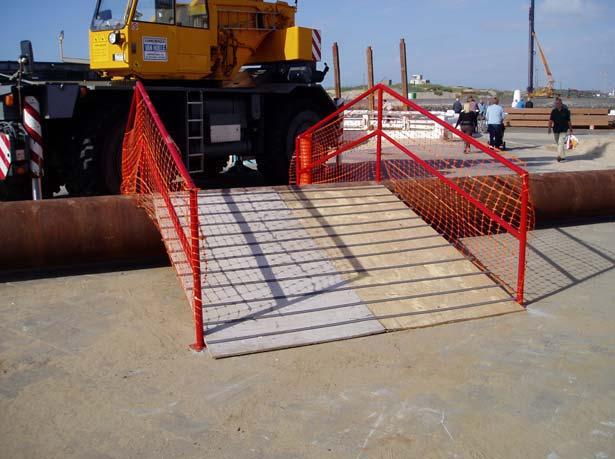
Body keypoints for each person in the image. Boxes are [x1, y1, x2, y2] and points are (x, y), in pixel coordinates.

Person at [548, 97, 573, 162]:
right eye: (556, 103)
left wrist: (570, 128)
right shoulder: (554, 111)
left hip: (564, 129)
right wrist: (549, 128)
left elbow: (569, 121)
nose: (558, 104)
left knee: (561, 143)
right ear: (555, 104)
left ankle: (559, 156)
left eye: (559, 103)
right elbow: (551, 120)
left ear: (562, 104)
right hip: (556, 129)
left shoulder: (566, 111)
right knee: (558, 143)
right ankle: (563, 156)